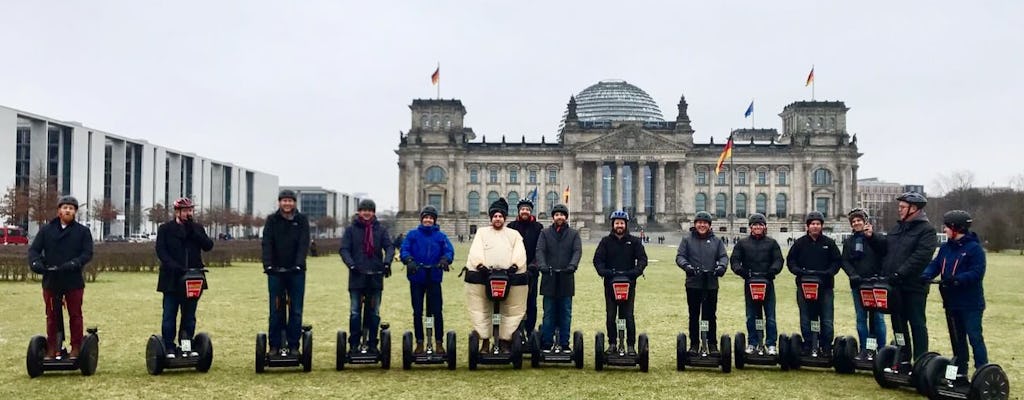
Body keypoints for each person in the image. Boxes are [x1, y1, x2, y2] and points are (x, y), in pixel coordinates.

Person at [921, 210, 988, 375]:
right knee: (957, 339)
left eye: (947, 227)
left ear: (956, 228)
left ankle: (982, 370)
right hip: (951, 301)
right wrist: (925, 275)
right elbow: (936, 264)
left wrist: (957, 279)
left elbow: (977, 272)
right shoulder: (945, 248)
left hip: (970, 303)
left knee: (974, 337)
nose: (944, 230)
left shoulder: (974, 249)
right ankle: (960, 370)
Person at [28, 195, 94, 360]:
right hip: (51, 279)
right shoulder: (46, 230)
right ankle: (52, 348)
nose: (68, 210)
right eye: (65, 207)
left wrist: (75, 263)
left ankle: (76, 347)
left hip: (72, 280)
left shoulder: (82, 232)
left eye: (71, 208)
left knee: (75, 315)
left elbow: (87, 253)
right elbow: (34, 250)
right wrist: (36, 263)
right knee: (51, 316)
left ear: (75, 212)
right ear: (59, 210)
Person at [463, 197, 528, 353]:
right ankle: (485, 341)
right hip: (484, 276)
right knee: (483, 309)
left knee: (510, 309)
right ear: (491, 218)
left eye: (500, 216)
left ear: (504, 218)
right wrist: (480, 266)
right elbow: (476, 251)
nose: (497, 219)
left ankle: (505, 341)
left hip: (509, 277)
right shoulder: (482, 233)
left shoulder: (514, 234)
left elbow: (520, 252)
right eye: (495, 216)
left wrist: (514, 266)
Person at [879, 191, 937, 361]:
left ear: (914, 209)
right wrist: (871, 238)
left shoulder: (927, 231)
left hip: (914, 287)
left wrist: (900, 273)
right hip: (895, 286)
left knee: (917, 323)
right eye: (900, 207)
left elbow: (920, 256)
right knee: (898, 324)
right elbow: (887, 250)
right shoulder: (898, 228)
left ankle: (921, 361)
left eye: (903, 207)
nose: (900, 210)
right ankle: (903, 356)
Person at [155, 197, 214, 358]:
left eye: (190, 210)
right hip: (172, 278)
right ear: (177, 212)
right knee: (169, 314)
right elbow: (161, 251)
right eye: (185, 210)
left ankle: (186, 344)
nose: (188, 213)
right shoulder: (165, 229)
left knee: (189, 315)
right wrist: (174, 266)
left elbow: (208, 246)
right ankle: (168, 347)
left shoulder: (197, 228)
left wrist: (194, 231)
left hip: (193, 278)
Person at [340, 198, 394, 353]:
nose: (366, 213)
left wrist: (387, 262)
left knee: (374, 312)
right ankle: (354, 344)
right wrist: (351, 264)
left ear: (373, 213)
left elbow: (389, 247)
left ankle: (372, 344)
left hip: (375, 275)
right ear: (359, 212)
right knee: (355, 312)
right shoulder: (351, 230)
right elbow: (344, 249)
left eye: (369, 210)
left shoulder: (381, 230)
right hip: (357, 275)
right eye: (364, 210)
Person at [261, 189, 310, 356]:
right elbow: (267, 243)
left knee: (295, 310)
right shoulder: (272, 220)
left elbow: (303, 244)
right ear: (279, 202)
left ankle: (294, 344)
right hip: (276, 272)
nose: (287, 203)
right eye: (284, 201)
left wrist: (298, 264)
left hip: (296, 272)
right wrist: (268, 265)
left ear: (294, 203)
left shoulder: (301, 220)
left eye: (290, 201)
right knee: (276, 309)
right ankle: (274, 345)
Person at [399, 205, 455, 354]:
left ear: (434, 220)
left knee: (436, 311)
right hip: (417, 277)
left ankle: (438, 342)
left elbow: (449, 250)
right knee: (417, 311)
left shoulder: (441, 236)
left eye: (431, 218)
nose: (428, 220)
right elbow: (405, 249)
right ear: (422, 219)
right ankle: (419, 342)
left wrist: (445, 259)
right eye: (426, 217)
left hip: (434, 277)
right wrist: (409, 260)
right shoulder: (412, 235)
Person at [593, 210, 648, 354]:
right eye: (617, 223)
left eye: (621, 223)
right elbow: (598, 260)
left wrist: (635, 272)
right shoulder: (605, 242)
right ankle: (612, 343)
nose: (619, 225)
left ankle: (630, 345)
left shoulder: (634, 242)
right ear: (613, 224)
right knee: (611, 315)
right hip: (610, 283)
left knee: (628, 315)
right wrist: (604, 272)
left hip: (628, 283)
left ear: (626, 225)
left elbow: (643, 259)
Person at [786, 211, 841, 353]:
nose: (815, 226)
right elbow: (791, 261)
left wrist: (828, 273)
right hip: (805, 286)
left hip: (826, 287)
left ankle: (826, 345)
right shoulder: (800, 243)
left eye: (818, 224)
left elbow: (836, 261)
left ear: (822, 226)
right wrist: (798, 271)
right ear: (807, 226)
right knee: (806, 317)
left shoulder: (829, 243)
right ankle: (809, 343)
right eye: (812, 224)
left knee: (827, 318)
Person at [730, 213, 784, 355]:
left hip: (767, 282)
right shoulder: (742, 243)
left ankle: (771, 344)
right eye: (755, 225)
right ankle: (753, 342)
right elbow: (735, 260)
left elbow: (779, 260)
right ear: (750, 228)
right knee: (751, 315)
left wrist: (773, 270)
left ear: (764, 227)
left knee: (770, 316)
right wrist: (741, 271)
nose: (758, 227)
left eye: (760, 225)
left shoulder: (772, 243)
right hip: (750, 282)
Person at [675, 211, 728, 353]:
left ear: (709, 225)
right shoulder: (687, 240)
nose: (702, 225)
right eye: (699, 222)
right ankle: (694, 344)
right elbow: (680, 256)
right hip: (693, 283)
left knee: (710, 315)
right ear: (695, 224)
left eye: (705, 223)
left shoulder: (717, 241)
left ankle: (712, 344)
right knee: (694, 315)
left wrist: (721, 267)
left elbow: (723, 257)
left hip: (711, 283)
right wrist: (687, 267)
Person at [534, 204, 582, 353]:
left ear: (566, 217)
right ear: (553, 217)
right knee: (549, 313)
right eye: (557, 215)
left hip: (566, 278)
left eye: (562, 214)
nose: (559, 217)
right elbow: (540, 250)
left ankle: (564, 343)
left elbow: (577, 251)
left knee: (565, 312)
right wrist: (542, 265)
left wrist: (572, 266)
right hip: (549, 277)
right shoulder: (545, 233)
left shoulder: (574, 234)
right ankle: (547, 343)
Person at [840, 208, 887, 360]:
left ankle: (881, 350)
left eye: (859, 220)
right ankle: (865, 348)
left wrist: (871, 236)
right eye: (853, 221)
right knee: (861, 318)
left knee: (878, 318)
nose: (856, 223)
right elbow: (845, 261)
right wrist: (853, 275)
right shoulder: (849, 241)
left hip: (876, 284)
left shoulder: (877, 238)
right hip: (858, 285)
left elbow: (884, 253)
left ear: (865, 221)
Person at [507, 198, 544, 338]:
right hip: (514, 273)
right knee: (514, 303)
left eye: (527, 209)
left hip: (532, 273)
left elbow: (540, 249)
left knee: (531, 304)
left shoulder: (538, 227)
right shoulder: (511, 226)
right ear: (519, 211)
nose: (525, 211)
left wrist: (534, 265)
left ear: (530, 211)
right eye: (523, 209)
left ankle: (529, 331)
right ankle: (514, 332)